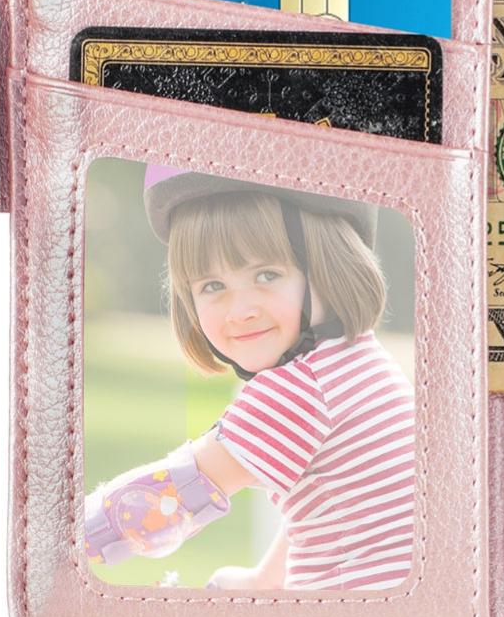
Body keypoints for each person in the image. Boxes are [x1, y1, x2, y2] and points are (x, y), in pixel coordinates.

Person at [83, 166, 415, 592]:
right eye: (212, 286)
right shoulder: (353, 360)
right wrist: (263, 581)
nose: (240, 310)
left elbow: (173, 493)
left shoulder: (300, 389)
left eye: (266, 275)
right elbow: (330, 510)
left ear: (329, 268)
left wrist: (59, 534)